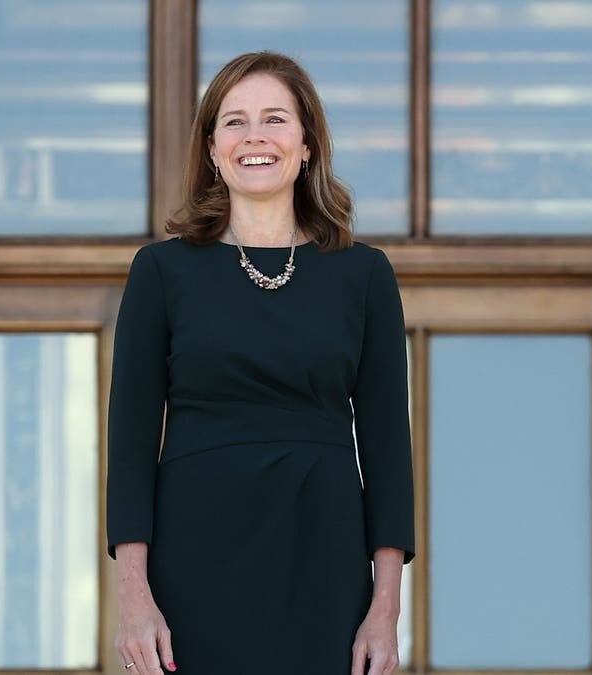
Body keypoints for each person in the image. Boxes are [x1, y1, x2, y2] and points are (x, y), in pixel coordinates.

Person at [106, 51, 413, 675]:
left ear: (306, 146)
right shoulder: (161, 272)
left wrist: (385, 611)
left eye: (275, 119)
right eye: (234, 122)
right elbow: (131, 444)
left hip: (323, 548)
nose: (255, 137)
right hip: (193, 552)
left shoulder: (364, 274)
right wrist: (133, 596)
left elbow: (387, 451)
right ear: (214, 149)